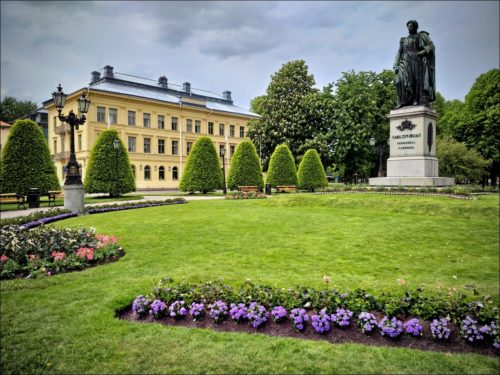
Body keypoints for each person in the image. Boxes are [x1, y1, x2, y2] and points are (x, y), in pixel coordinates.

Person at [393, 20, 436, 108]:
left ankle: (416, 100)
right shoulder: (403, 40)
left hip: (417, 60)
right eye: (408, 26)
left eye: (411, 26)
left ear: (415, 27)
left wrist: (423, 52)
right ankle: (402, 101)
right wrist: (395, 64)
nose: (409, 28)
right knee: (398, 80)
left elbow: (431, 46)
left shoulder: (421, 36)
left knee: (417, 81)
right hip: (404, 62)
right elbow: (399, 52)